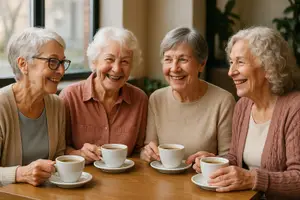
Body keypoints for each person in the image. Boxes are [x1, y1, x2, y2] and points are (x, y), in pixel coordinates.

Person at [193, 26, 300, 199]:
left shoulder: (295, 108)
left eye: (240, 62)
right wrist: (214, 162)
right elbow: (236, 159)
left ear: (268, 66)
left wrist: (253, 179)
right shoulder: (243, 106)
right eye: (231, 62)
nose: (230, 72)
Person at [140, 27, 236, 165]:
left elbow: (230, 158)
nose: (174, 68)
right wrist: (147, 153)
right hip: (163, 181)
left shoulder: (223, 101)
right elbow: (148, 148)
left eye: (183, 59)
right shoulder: (157, 98)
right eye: (168, 59)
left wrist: (211, 160)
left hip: (203, 181)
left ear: (201, 64)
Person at [60, 27, 148, 164]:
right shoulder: (70, 96)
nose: (117, 69)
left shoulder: (140, 99)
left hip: (126, 181)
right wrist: (77, 153)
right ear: (95, 61)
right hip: (81, 179)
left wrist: (147, 153)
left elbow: (140, 150)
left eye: (125, 61)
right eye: (109, 59)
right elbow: (59, 148)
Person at [0, 27, 70, 186]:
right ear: (23, 64)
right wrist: (21, 173)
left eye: (62, 62)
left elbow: (58, 157)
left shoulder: (57, 105)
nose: (60, 71)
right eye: (52, 62)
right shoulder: (2, 106)